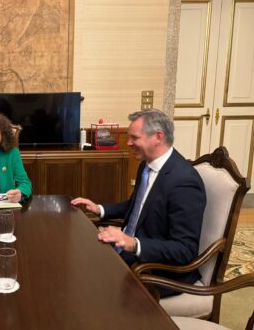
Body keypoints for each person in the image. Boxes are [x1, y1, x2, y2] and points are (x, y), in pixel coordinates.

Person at [71, 109, 206, 297]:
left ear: (158, 137)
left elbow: (185, 250)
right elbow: (137, 206)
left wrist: (133, 243)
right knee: (75, 263)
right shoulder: (147, 164)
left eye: (134, 137)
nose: (128, 143)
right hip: (130, 256)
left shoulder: (184, 182)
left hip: (155, 272)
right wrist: (99, 209)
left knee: (89, 289)